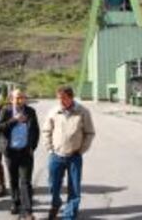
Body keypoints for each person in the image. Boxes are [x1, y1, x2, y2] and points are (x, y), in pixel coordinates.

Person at [43, 86, 95, 220]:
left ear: (71, 97)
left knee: (74, 188)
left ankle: (69, 215)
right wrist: (50, 149)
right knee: (53, 185)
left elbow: (89, 133)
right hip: (56, 156)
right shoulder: (54, 111)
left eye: (64, 98)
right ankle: (56, 203)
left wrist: (81, 150)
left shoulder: (83, 112)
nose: (60, 101)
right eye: (59, 98)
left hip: (74, 157)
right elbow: (46, 131)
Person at [0, 89, 40, 220]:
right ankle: (15, 203)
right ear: (11, 99)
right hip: (10, 152)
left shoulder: (30, 111)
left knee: (26, 181)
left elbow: (35, 131)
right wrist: (14, 120)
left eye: (22, 97)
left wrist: (32, 147)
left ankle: (27, 211)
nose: (20, 100)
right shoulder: (6, 111)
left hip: (25, 152)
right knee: (13, 179)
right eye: (17, 98)